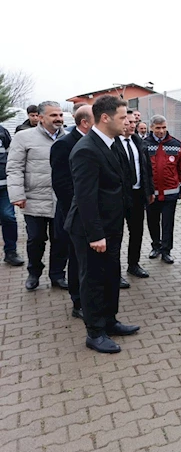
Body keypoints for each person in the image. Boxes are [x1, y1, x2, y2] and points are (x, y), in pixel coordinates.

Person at [65, 94, 139, 354]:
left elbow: (120, 182)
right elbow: (85, 197)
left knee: (110, 275)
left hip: (112, 225)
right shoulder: (86, 150)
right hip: (91, 230)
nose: (127, 121)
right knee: (94, 279)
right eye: (122, 117)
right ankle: (95, 332)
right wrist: (96, 234)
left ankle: (110, 320)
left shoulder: (114, 143)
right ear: (105, 118)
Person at [7, 101, 68, 291]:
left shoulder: (68, 138)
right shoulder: (23, 137)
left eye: (60, 115)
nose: (58, 119)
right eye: (53, 115)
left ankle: (58, 275)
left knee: (61, 240)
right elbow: (15, 167)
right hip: (34, 199)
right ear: (40, 118)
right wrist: (17, 194)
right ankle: (34, 273)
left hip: (61, 201)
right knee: (35, 239)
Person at [50, 105, 94, 318]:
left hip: (92, 213)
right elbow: (62, 184)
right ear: (85, 122)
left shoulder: (97, 143)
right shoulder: (64, 145)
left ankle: (91, 298)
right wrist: (78, 213)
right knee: (77, 259)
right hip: (74, 214)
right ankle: (78, 303)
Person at [143, 115, 181, 264]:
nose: (161, 131)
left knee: (168, 223)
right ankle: (156, 246)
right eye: (158, 128)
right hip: (151, 194)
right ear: (151, 127)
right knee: (152, 221)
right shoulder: (144, 144)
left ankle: (166, 251)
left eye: (164, 128)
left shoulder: (176, 145)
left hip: (170, 193)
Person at [120, 111, 154, 280]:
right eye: (129, 122)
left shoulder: (138, 142)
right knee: (116, 235)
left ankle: (133, 264)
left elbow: (147, 169)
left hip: (138, 194)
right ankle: (113, 271)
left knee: (137, 231)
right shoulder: (112, 144)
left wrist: (150, 190)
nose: (133, 125)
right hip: (119, 196)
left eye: (134, 122)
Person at [0, 122, 23, 267]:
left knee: (8, 216)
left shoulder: (2, 131)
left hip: (4, 186)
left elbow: (11, 155)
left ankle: (11, 252)